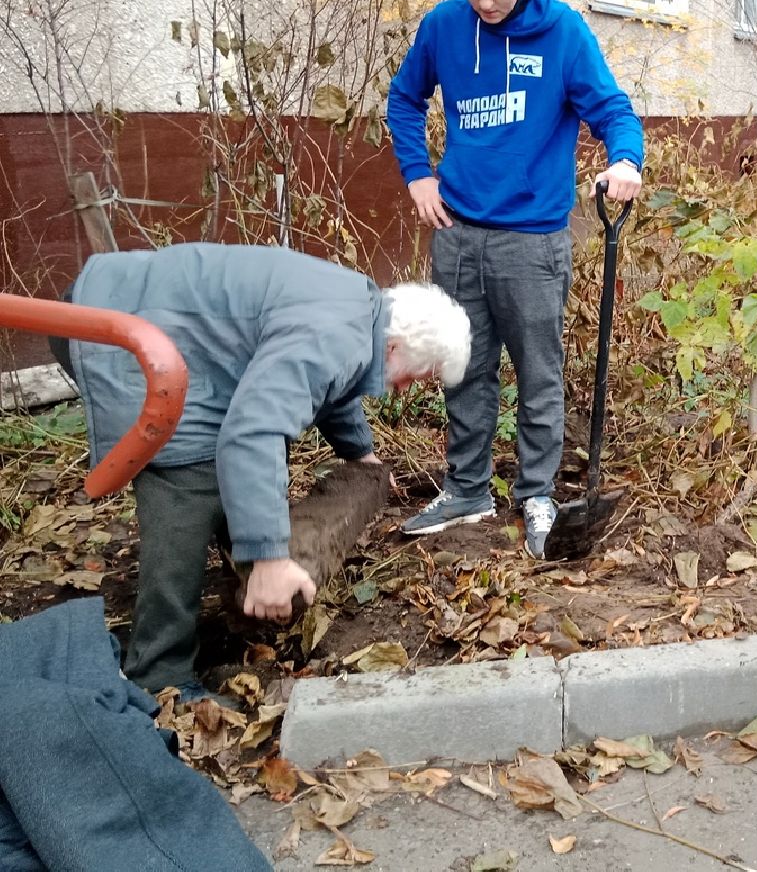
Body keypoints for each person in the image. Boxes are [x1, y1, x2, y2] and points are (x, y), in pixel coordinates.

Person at [54, 242, 470, 701]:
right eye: (415, 376)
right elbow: (254, 430)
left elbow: (334, 386)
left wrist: (362, 455)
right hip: (111, 325)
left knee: (222, 458)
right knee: (189, 478)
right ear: (394, 346)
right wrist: (271, 556)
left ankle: (250, 594)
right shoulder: (334, 334)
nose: (405, 388)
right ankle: (160, 673)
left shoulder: (359, 311)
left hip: (141, 313)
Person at [386, 0, 644, 557]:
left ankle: (536, 495)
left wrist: (625, 160)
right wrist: (418, 174)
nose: (485, 2)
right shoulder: (445, 26)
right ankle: (467, 488)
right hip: (458, 233)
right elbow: (404, 98)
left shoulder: (564, 33)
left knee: (537, 373)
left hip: (532, 241)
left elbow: (612, 109)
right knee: (463, 367)